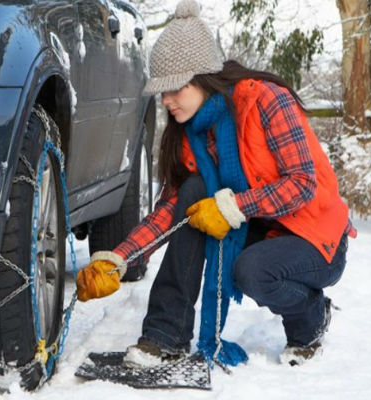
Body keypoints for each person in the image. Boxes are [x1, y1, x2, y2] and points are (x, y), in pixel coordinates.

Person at [75, 0, 355, 368]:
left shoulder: (266, 101)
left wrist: (235, 207)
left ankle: (312, 316)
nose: (166, 100)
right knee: (193, 195)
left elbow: (302, 184)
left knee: (252, 271)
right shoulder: (192, 133)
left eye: (175, 88)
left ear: (203, 78)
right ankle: (165, 335)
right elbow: (171, 213)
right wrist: (119, 259)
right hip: (263, 231)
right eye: (162, 92)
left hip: (316, 240)